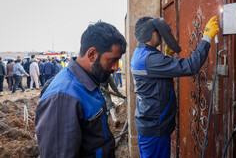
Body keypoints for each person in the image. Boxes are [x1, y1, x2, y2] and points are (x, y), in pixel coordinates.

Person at [130, 16, 219, 158]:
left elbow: (153, 77)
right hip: (154, 127)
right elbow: (191, 66)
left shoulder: (140, 54)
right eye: (158, 32)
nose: (160, 35)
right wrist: (206, 38)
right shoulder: (150, 59)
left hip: (149, 123)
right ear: (151, 33)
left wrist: (166, 56)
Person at [35, 21, 127, 157]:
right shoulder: (63, 97)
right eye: (112, 60)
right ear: (92, 55)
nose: (115, 67)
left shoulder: (89, 82)